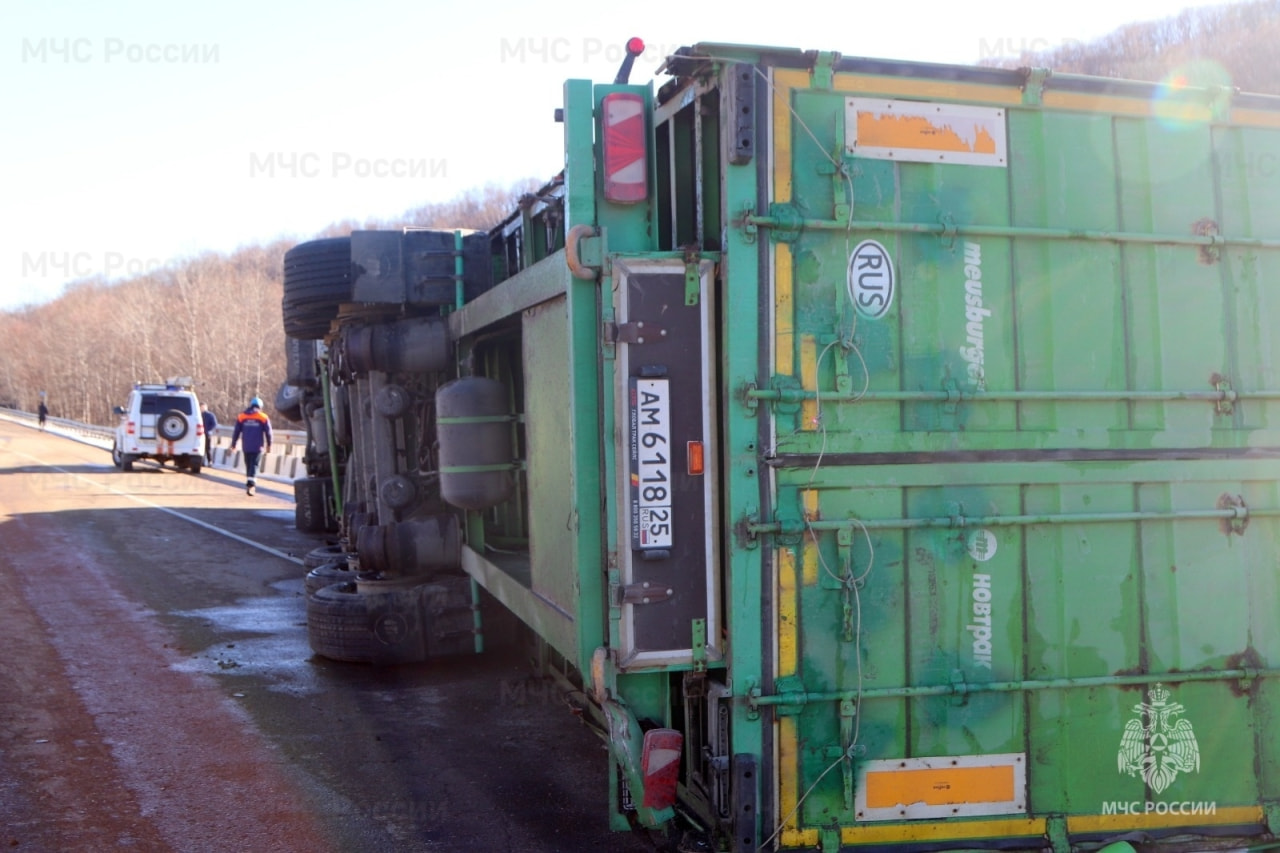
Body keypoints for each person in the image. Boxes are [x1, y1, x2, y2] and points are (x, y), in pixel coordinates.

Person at [229, 396, 272, 496]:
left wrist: (233, 444)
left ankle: (249, 483)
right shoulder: (263, 417)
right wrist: (269, 444)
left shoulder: (242, 416)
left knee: (249, 464)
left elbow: (236, 432)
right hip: (258, 446)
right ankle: (251, 485)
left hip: (246, 446)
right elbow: (269, 433)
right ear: (260, 406)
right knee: (254, 465)